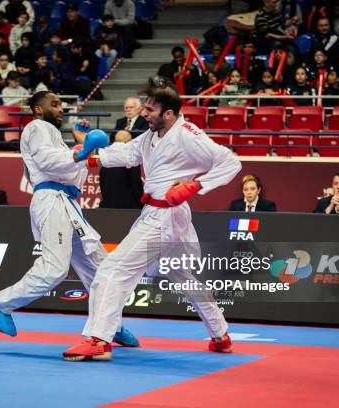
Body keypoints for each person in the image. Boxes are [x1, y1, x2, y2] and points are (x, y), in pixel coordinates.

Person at [63, 77, 241, 361]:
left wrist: (195, 186)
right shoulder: (150, 136)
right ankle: (220, 335)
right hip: (160, 213)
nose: (144, 113)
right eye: (144, 108)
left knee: (113, 269)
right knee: (183, 277)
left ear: (168, 113)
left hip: (166, 216)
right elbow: (128, 153)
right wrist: (91, 158)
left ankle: (98, 339)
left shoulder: (188, 134)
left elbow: (230, 162)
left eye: (150, 109)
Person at [0, 91, 139, 348]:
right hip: (51, 201)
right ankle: (0, 305)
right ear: (37, 109)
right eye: (54, 104)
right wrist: (81, 152)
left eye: (61, 104)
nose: (60, 109)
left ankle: (110, 325)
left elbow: (71, 173)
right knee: (55, 268)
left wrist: (80, 144)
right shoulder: (37, 127)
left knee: (102, 267)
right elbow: (50, 163)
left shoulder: (53, 135)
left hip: (67, 204)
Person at [99, 131, 144, 209]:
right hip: (129, 209)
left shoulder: (105, 156)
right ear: (128, 142)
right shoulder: (130, 158)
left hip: (107, 207)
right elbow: (136, 185)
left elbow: (102, 185)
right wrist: (141, 205)